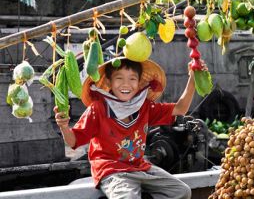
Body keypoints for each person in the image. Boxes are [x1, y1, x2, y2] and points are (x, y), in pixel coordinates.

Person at [55, 57, 207, 199]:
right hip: (112, 171)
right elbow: (73, 140)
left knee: (182, 191)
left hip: (140, 167)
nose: (126, 84)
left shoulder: (144, 106)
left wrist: (193, 79)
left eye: (132, 79)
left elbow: (180, 109)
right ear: (109, 82)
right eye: (119, 78)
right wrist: (63, 126)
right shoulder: (98, 108)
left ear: (139, 82)